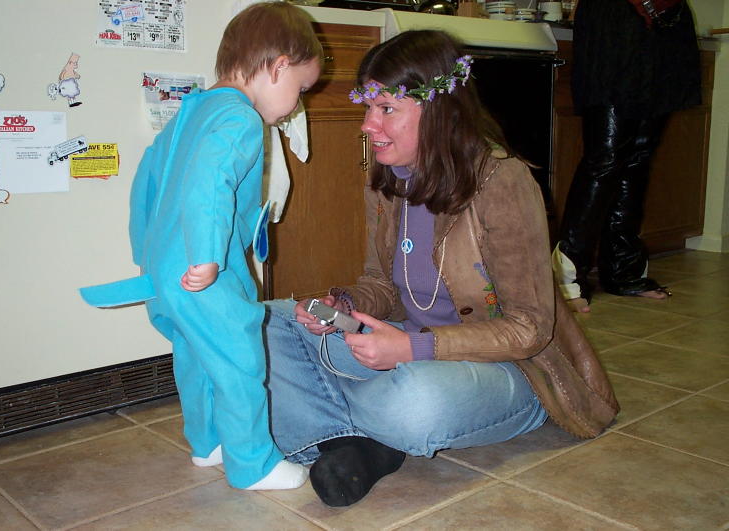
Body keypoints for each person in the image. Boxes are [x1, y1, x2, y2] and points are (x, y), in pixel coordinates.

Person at [258, 29, 619, 507]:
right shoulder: (386, 180)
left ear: (439, 111)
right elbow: (381, 285)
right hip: (411, 346)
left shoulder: (502, 181)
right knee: (268, 322)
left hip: (509, 369)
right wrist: (342, 304)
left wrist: (412, 348)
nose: (367, 124)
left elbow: (530, 328)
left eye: (386, 109)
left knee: (413, 399)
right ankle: (359, 442)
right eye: (368, 107)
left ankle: (332, 418)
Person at [81, 2, 322, 491]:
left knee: (195, 356)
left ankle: (208, 442)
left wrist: (147, 255)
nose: (297, 104)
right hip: (205, 268)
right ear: (278, 67)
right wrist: (207, 257)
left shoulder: (190, 112)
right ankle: (253, 465)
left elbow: (146, 183)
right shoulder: (240, 120)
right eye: (300, 89)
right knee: (238, 359)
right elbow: (209, 184)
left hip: (166, 270)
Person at [552, 0, 701, 312]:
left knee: (638, 157)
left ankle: (624, 270)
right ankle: (566, 278)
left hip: (667, 23)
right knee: (605, 158)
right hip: (615, 20)